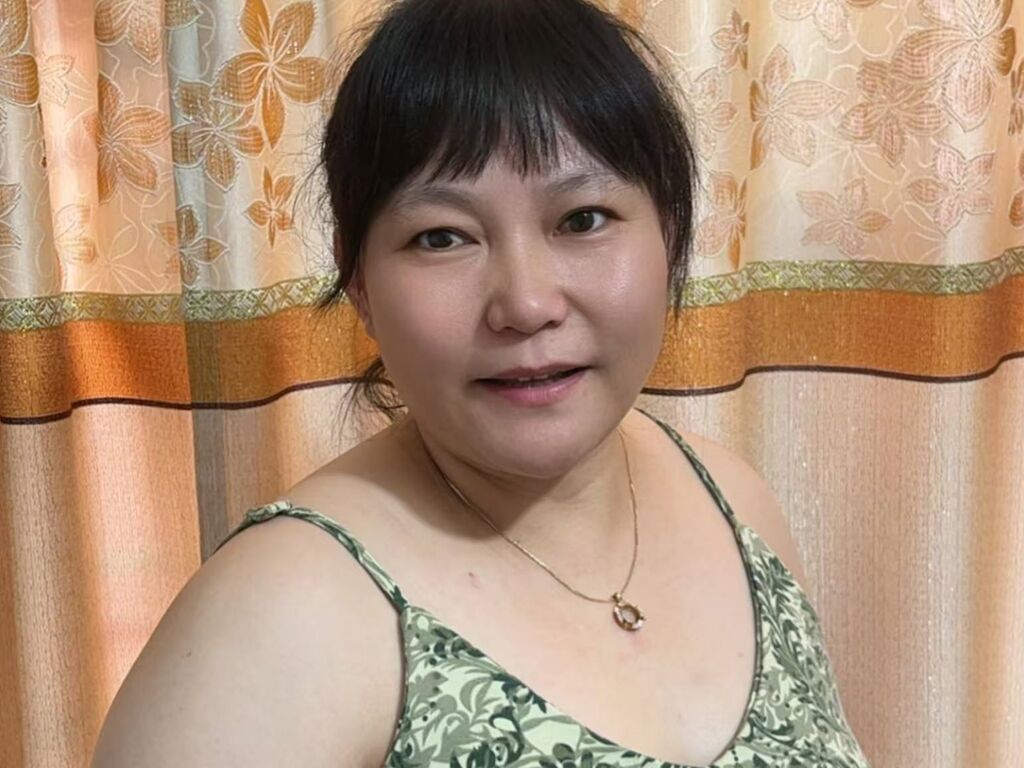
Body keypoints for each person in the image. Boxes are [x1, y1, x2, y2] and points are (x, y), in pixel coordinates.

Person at [91, 0, 872, 766]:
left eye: (583, 219)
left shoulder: (735, 504)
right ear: (359, 282)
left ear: (669, 234)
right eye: (442, 237)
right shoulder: (277, 618)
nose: (527, 304)